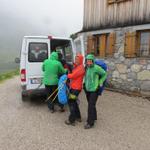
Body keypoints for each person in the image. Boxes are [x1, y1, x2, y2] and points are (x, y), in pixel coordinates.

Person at [84, 54, 107, 129]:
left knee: (90, 105)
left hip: (94, 89)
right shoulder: (87, 67)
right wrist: (83, 83)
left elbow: (104, 74)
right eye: (88, 61)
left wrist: (100, 81)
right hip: (87, 89)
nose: (89, 62)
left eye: (90, 61)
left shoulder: (97, 68)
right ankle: (94, 117)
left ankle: (90, 123)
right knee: (91, 104)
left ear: (93, 61)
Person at [65, 53, 85, 126]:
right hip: (74, 87)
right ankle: (78, 117)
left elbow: (73, 76)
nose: (76, 60)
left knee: (71, 103)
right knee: (74, 103)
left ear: (81, 60)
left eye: (77, 59)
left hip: (76, 89)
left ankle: (71, 120)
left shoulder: (81, 68)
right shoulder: (77, 66)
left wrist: (67, 75)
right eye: (75, 59)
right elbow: (73, 72)